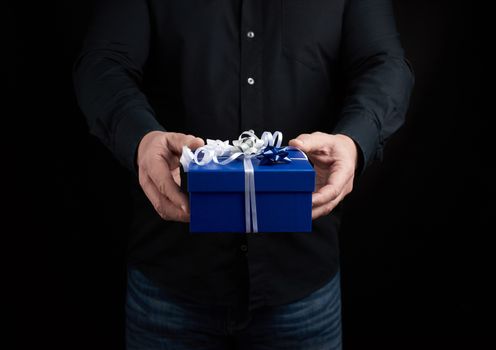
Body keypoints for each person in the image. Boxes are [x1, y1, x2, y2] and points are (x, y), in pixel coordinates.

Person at [73, 0, 414, 348]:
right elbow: (103, 62)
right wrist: (140, 139)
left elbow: (384, 64)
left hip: (302, 283)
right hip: (169, 282)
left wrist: (355, 139)